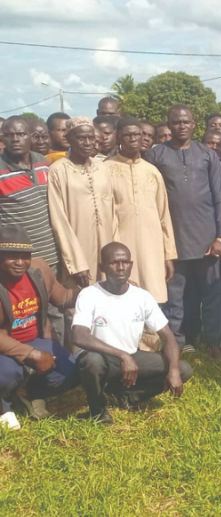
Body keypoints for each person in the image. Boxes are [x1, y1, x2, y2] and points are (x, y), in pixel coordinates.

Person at [72, 242, 192, 425]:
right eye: (114, 263)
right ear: (102, 267)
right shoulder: (89, 294)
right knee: (91, 361)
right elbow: (79, 336)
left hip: (131, 356)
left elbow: (168, 336)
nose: (121, 267)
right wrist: (122, 355)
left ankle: (125, 396)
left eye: (125, 262)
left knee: (183, 369)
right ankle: (98, 411)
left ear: (131, 265)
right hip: (102, 357)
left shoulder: (141, 297)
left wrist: (173, 370)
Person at [145, 105, 221, 357]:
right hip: (173, 241)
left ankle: (215, 342)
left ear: (194, 125)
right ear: (169, 126)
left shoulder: (207, 154)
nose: (182, 126)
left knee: (212, 295)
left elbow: (220, 198)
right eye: (176, 122)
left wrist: (220, 237)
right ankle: (177, 344)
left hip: (207, 241)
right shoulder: (156, 155)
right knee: (174, 299)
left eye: (186, 122)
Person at [0, 225, 80, 428]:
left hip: (37, 339)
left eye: (25, 255)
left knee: (72, 373)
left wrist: (98, 290)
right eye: (12, 256)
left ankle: (30, 393)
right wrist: (32, 354)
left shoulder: (39, 269)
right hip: (5, 345)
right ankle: (5, 405)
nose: (20, 262)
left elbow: (63, 299)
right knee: (7, 375)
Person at [1, 117, 64, 340]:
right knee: (30, 314)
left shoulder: (44, 163)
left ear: (31, 137)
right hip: (20, 261)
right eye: (9, 135)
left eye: (20, 134)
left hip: (52, 254)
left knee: (57, 311)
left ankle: (61, 366)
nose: (15, 139)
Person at [105, 117, 177, 304]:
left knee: (152, 297)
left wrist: (168, 254)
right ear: (118, 138)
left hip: (152, 248)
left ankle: (152, 334)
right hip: (120, 247)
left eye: (137, 134)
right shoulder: (104, 170)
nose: (133, 139)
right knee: (122, 300)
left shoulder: (152, 171)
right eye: (127, 135)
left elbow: (163, 215)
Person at [48, 116, 116, 289]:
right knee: (79, 304)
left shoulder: (103, 168)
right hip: (78, 251)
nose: (87, 143)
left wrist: (115, 250)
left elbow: (113, 213)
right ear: (69, 139)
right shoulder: (58, 170)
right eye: (81, 138)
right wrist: (76, 263)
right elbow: (59, 220)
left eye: (91, 138)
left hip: (107, 248)